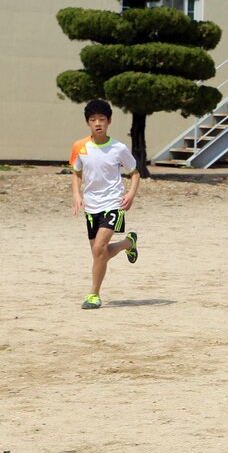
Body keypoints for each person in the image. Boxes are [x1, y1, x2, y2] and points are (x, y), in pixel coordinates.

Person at [71, 99, 140, 310]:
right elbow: (76, 173)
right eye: (93, 120)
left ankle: (93, 294)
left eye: (102, 119)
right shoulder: (79, 147)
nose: (97, 123)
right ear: (87, 123)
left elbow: (135, 173)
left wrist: (131, 193)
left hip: (113, 203)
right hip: (91, 206)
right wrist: (76, 195)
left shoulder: (118, 148)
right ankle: (129, 243)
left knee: (99, 248)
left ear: (109, 121)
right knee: (99, 253)